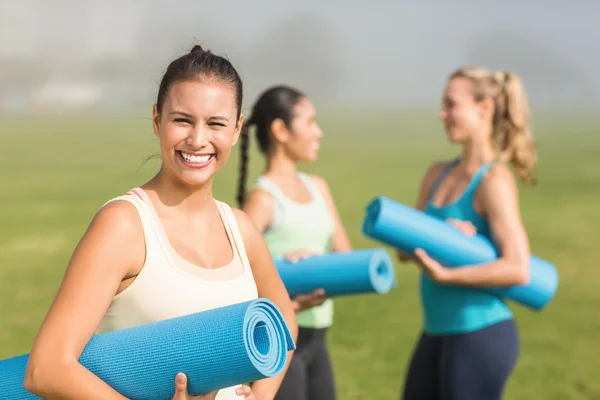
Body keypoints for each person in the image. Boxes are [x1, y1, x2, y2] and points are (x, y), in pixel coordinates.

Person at [23, 45, 297, 400]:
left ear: (236, 129)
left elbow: (284, 320)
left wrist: (261, 396)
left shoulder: (241, 229)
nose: (198, 140)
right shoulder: (124, 225)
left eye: (216, 123)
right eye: (182, 120)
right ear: (157, 120)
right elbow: (46, 368)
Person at [398, 66, 538, 400]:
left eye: (451, 105)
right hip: (435, 330)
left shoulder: (494, 182)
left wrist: (448, 275)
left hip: (481, 332)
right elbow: (404, 251)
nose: (442, 114)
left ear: (484, 108)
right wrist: (439, 235)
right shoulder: (437, 173)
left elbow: (518, 268)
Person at [236, 85, 352, 400]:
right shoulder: (262, 199)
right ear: (280, 130)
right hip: (280, 340)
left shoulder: (318, 187)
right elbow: (237, 278)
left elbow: (345, 258)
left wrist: (315, 264)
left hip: (318, 337)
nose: (319, 133)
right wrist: (291, 294)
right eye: (310, 122)